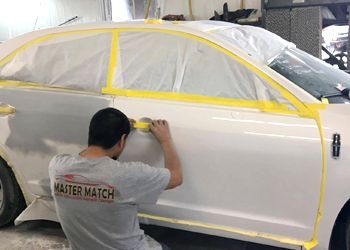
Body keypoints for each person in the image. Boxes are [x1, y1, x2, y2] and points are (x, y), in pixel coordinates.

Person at [49, 108, 182, 250]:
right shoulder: (127, 175)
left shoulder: (57, 166)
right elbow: (176, 177)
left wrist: (118, 136)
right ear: (122, 140)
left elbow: (86, 160)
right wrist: (166, 140)